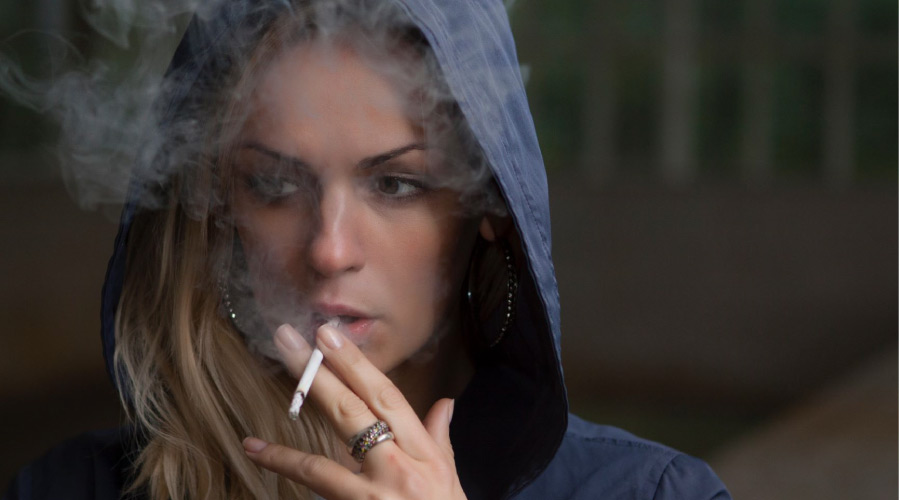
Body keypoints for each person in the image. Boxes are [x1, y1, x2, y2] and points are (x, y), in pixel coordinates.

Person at [3, 1, 731, 499]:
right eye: (273, 184)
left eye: (395, 183)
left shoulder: (648, 495)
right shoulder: (72, 491)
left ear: (487, 207)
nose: (329, 249)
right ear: (219, 210)